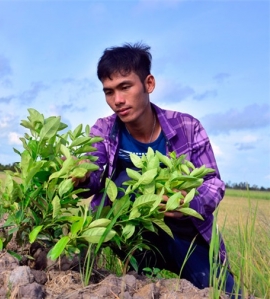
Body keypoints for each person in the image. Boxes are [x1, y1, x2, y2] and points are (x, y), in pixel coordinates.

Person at [75, 42, 238, 296]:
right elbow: (93, 176)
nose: (117, 100)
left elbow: (213, 184)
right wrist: (80, 175)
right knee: (121, 184)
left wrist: (187, 202)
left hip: (183, 232)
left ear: (149, 84)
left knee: (226, 292)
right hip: (130, 232)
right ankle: (138, 270)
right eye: (109, 92)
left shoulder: (187, 127)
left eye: (125, 87)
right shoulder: (104, 129)